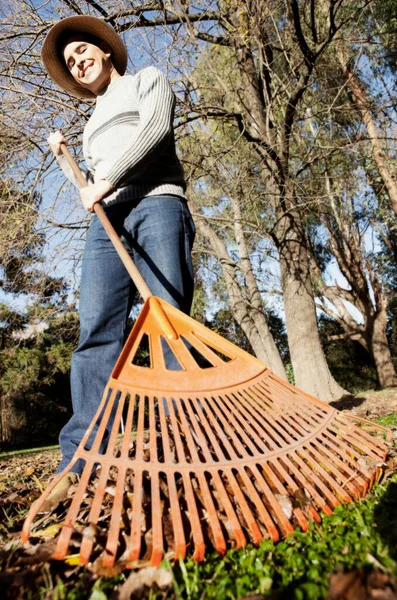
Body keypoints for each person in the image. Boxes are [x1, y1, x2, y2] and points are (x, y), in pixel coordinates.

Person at [41, 15, 195, 509]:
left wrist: (105, 180)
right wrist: (76, 170)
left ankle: (182, 446)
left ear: (105, 51)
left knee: (168, 321)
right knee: (96, 331)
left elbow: (153, 130)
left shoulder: (148, 80)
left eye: (82, 51)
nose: (78, 62)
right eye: (69, 63)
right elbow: (92, 190)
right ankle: (81, 460)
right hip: (108, 221)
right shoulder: (87, 127)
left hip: (156, 203)